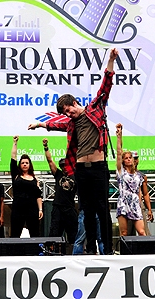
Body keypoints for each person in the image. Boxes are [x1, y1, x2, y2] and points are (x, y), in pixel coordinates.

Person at [28, 48, 118, 254]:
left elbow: (106, 86)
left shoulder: (95, 109)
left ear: (75, 103)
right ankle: (92, 249)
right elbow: (55, 125)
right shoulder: (71, 124)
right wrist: (39, 125)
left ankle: (108, 249)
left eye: (70, 109)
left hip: (98, 167)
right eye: (66, 113)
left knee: (103, 209)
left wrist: (111, 60)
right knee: (86, 210)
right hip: (81, 170)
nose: (70, 113)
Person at [43, 138, 78, 243]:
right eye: (62, 166)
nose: (64, 167)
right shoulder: (58, 174)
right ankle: (53, 254)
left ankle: (75, 254)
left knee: (73, 233)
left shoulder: (75, 175)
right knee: (54, 233)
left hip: (69, 207)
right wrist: (46, 147)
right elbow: (50, 160)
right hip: (58, 207)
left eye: (66, 165)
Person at [115, 123, 145, 236]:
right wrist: (119, 136)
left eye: (130, 157)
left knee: (142, 232)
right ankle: (124, 253)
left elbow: (139, 192)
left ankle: (145, 252)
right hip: (123, 202)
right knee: (124, 232)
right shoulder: (121, 171)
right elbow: (118, 153)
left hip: (135, 203)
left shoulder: (138, 175)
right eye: (126, 158)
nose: (128, 159)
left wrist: (140, 203)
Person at [10, 136, 43, 237]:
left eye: (26, 163)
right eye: (23, 163)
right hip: (18, 207)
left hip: (32, 208)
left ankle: (35, 252)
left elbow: (38, 196)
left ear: (30, 165)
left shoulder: (35, 179)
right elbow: (13, 158)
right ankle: (14, 252)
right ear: (20, 165)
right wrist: (15, 143)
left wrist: (40, 209)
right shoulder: (16, 175)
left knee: (35, 233)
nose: (24, 164)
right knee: (15, 233)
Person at [127, 151, 153, 236]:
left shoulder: (142, 176)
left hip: (138, 204)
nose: (134, 160)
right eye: (132, 158)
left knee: (143, 231)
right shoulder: (123, 174)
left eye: (136, 158)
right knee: (127, 233)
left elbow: (145, 194)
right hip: (127, 204)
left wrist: (149, 209)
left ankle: (147, 249)